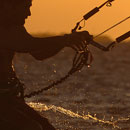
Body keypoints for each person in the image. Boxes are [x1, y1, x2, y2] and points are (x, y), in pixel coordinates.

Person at [0, 0, 93, 130]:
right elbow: (25, 44)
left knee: (46, 127)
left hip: (8, 98)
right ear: (7, 5)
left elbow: (39, 54)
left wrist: (65, 42)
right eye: (26, 7)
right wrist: (65, 39)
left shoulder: (14, 27)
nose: (29, 13)